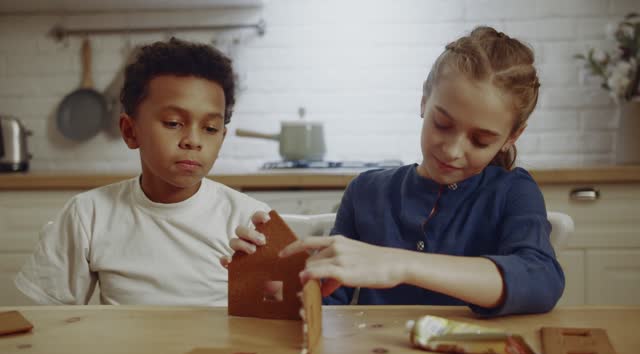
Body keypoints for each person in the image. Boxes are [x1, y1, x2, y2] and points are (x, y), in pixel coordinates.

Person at [225, 27, 564, 317]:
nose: (452, 149)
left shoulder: (513, 192)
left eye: (480, 140)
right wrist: (266, 273)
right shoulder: (366, 191)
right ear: (423, 101)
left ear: (511, 138)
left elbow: (541, 279)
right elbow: (326, 303)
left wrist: (399, 264)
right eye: (442, 124)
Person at [15, 38, 269, 306]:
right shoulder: (88, 215)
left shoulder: (250, 220)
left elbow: (280, 314)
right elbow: (50, 317)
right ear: (130, 131)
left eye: (210, 128)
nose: (193, 140)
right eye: (173, 123)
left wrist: (266, 285)